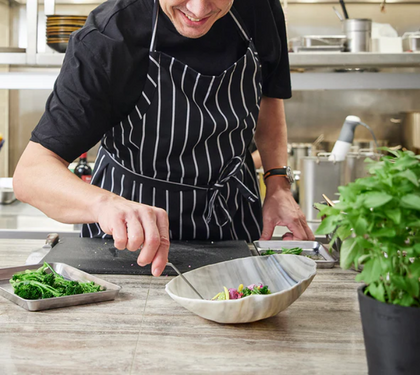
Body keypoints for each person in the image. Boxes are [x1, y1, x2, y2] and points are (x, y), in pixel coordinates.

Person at [13, 0, 314, 277]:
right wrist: (102, 204)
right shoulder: (108, 37)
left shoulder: (260, 10)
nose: (198, 9)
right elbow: (32, 174)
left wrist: (277, 183)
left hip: (232, 223)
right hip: (130, 245)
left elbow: (269, 98)